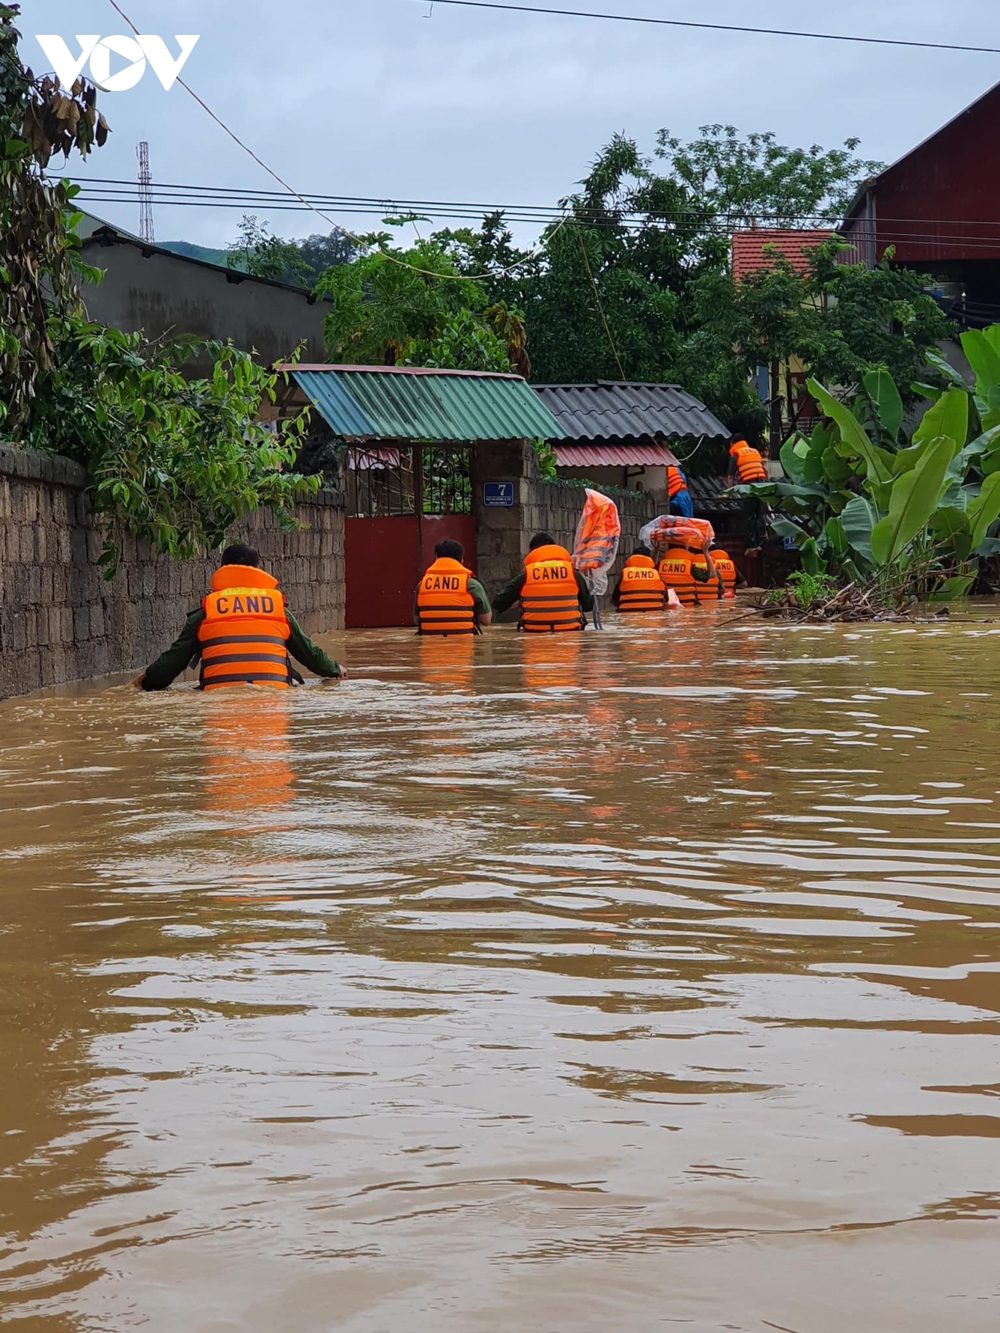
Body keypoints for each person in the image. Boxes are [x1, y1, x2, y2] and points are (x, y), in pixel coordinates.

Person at [135, 544, 345, 691]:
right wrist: (336, 669)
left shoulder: (206, 613)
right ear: (257, 570)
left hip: (219, 701)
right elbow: (309, 654)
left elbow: (172, 663)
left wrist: (142, 682)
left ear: (223, 569)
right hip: (273, 700)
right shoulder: (278, 611)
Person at [491, 532, 593, 632]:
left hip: (534, 638)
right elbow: (588, 606)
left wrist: (521, 599)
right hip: (570, 639)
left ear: (533, 552)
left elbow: (498, 603)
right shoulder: (574, 575)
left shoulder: (526, 576)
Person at [414, 540, 492, 635]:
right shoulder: (472, 584)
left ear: (436, 558)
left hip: (429, 646)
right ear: (461, 561)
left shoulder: (422, 585)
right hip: (465, 646)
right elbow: (486, 620)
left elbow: (416, 620)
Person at [728, 435, 768, 557]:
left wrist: (728, 493)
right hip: (761, 484)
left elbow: (730, 477)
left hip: (748, 486)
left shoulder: (736, 455)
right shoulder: (755, 451)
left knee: (749, 516)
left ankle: (751, 546)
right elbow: (765, 471)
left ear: (732, 443)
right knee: (761, 514)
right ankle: (761, 543)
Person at [658, 536, 719, 608]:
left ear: (668, 547)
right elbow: (712, 574)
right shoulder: (689, 566)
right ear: (686, 547)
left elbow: (652, 565)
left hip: (667, 607)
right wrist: (705, 552)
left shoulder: (660, 565)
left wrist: (656, 550)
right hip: (687, 607)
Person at [612, 548, 667, 613]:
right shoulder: (657, 575)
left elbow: (614, 600)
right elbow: (666, 599)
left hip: (628, 616)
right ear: (649, 558)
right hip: (654, 617)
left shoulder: (625, 575)